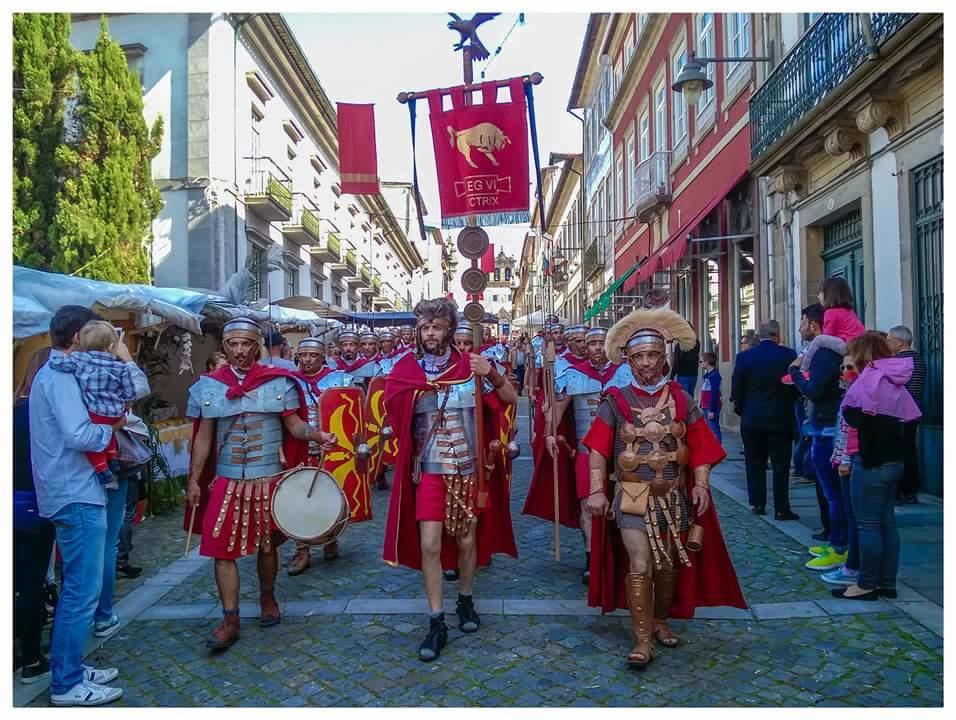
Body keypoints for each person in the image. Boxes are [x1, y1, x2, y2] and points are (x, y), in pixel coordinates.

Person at [582, 307, 745, 668]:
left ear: (664, 357)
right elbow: (597, 450)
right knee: (641, 564)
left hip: (672, 495)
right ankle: (641, 640)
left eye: (653, 355)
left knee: (667, 562)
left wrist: (701, 483)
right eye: (639, 356)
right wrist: (596, 491)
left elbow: (701, 447)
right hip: (633, 493)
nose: (646, 363)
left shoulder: (682, 400)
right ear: (628, 359)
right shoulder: (616, 400)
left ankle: (659, 621)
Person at [184, 318, 337, 649]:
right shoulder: (208, 386)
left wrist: (316, 434)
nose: (240, 350)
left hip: (267, 477)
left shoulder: (278, 383)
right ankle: (230, 617)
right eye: (233, 344)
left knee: (267, 545)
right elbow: (203, 439)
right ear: (224, 347)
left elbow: (295, 425)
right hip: (226, 480)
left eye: (246, 343)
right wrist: (194, 479)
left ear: (257, 347)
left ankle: (268, 597)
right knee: (221, 552)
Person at [383, 298, 518, 662]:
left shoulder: (469, 368)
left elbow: (510, 398)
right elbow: (391, 406)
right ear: (418, 330)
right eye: (425, 327)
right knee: (429, 543)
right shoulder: (406, 369)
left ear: (449, 329)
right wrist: (417, 394)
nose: (430, 333)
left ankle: (466, 599)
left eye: (437, 327)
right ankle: (436, 618)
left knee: (466, 538)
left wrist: (490, 372)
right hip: (428, 468)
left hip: (467, 469)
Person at [30, 306, 127, 706]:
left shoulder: (50, 373)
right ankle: (67, 684)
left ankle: (68, 667)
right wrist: (114, 426)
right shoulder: (63, 376)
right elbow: (80, 434)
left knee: (77, 588)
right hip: (75, 492)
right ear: (77, 339)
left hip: (67, 490)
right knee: (81, 592)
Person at [534, 326, 634, 584]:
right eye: (593, 344)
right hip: (585, 452)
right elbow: (557, 409)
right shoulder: (574, 374)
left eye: (603, 343)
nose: (598, 348)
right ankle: (592, 560)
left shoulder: (625, 372)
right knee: (588, 508)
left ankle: (625, 557)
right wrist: (548, 433)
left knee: (626, 506)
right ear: (585, 348)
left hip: (623, 452)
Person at [832, 332, 921, 600]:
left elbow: (859, 416)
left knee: (868, 525)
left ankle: (867, 583)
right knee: (886, 524)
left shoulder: (871, 376)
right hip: (894, 460)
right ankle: (886, 582)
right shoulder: (894, 376)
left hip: (871, 461)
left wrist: (847, 402)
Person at [286, 337, 361, 576]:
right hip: (300, 447)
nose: (307, 360)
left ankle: (331, 538)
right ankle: (302, 549)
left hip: (332, 448)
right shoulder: (289, 383)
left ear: (322, 356)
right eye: (303, 355)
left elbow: (355, 414)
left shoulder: (340, 379)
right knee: (299, 499)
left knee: (331, 496)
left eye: (313, 356)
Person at [48, 321, 150, 488]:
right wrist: (126, 402)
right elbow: (135, 389)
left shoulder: (79, 360)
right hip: (115, 413)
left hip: (95, 412)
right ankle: (112, 458)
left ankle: (102, 468)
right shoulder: (119, 366)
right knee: (109, 432)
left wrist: (54, 362)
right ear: (111, 345)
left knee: (99, 437)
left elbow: (59, 364)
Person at [789, 304, 848, 572]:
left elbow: (814, 391)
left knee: (833, 494)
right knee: (832, 492)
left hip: (826, 427)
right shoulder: (830, 354)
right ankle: (835, 539)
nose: (800, 327)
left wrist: (795, 374)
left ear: (815, 325)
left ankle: (839, 547)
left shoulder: (824, 355)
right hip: (826, 425)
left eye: (803, 322)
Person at [15, 347, 57, 684]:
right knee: (30, 582)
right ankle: (31, 658)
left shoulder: (14, 409)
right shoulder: (39, 415)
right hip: (33, 504)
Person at [732, 321, 799, 520]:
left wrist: (742, 409)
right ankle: (781, 508)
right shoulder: (789, 355)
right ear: (777, 335)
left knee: (754, 462)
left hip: (752, 418)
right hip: (780, 418)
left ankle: (757, 503)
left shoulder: (744, 357)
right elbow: (795, 386)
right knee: (781, 464)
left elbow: (737, 388)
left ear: (759, 336)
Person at [819, 355, 861, 587]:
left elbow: (851, 430)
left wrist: (844, 460)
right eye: (843, 366)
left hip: (850, 461)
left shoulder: (857, 392)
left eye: (850, 367)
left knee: (854, 515)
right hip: (843, 459)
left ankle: (852, 564)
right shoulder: (850, 391)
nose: (844, 371)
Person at [886, 325, 926, 504]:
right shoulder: (919, 359)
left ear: (900, 342)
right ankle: (911, 489)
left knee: (897, 452)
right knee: (910, 449)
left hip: (899, 411)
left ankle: (900, 490)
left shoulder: (898, 361)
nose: (887, 344)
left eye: (889, 340)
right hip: (915, 410)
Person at [798, 278, 866, 372]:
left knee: (819, 340)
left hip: (848, 346)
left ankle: (803, 369)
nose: (818, 297)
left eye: (820, 293)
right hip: (858, 346)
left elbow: (827, 336)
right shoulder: (848, 311)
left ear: (829, 294)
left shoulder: (831, 313)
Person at [698, 352, 722, 444]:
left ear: (707, 362)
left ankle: (718, 449)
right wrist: (701, 404)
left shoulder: (715, 376)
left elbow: (714, 393)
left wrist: (712, 410)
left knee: (714, 428)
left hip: (711, 406)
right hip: (705, 405)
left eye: (701, 361)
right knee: (709, 429)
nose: (700, 363)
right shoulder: (707, 375)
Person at [670, 329, 701, 397]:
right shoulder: (696, 343)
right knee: (691, 395)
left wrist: (672, 376)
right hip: (694, 374)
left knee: (684, 397)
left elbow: (677, 361)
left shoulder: (680, 345)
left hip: (683, 375)